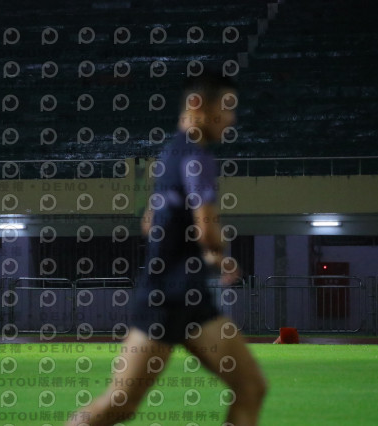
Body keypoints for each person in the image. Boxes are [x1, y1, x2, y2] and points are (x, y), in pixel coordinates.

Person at [66, 70, 267, 426]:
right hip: (166, 299)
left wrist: (202, 255)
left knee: (250, 387)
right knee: (119, 404)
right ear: (197, 105)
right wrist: (218, 250)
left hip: (185, 297)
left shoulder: (170, 155)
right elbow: (207, 230)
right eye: (226, 107)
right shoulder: (197, 157)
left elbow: (150, 222)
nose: (232, 119)